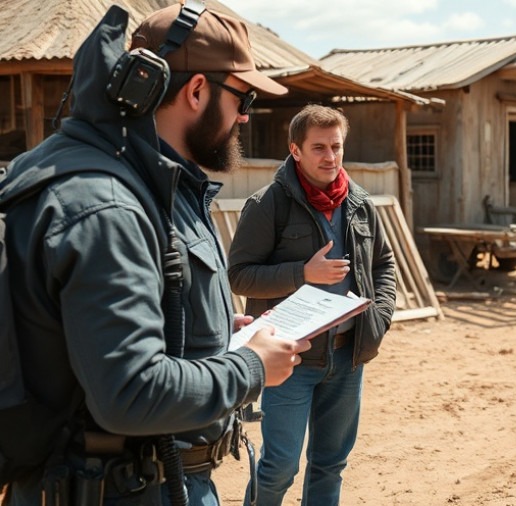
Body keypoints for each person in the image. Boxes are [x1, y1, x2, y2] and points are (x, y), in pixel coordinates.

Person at [0, 3, 307, 505]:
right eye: (243, 96)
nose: (246, 115)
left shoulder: (132, 178)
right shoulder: (107, 204)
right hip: (122, 490)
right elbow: (131, 392)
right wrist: (250, 367)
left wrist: (208, 331)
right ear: (197, 91)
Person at [228, 104, 397, 506]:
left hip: (347, 357)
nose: (330, 157)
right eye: (319, 147)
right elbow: (239, 274)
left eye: (336, 146)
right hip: (290, 361)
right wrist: (303, 272)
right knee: (280, 466)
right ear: (295, 150)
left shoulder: (358, 202)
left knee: (330, 463)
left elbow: (384, 263)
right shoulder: (268, 203)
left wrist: (381, 317)